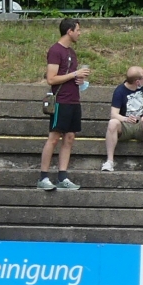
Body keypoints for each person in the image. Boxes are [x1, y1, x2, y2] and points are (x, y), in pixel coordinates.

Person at [39, 17, 88, 191]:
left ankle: (62, 176)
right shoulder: (55, 50)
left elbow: (69, 77)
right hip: (61, 101)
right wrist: (74, 74)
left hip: (74, 100)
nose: (79, 33)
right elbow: (51, 79)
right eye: (78, 30)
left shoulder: (72, 53)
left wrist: (80, 81)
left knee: (69, 137)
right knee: (54, 138)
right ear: (69, 31)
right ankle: (43, 177)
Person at [102, 66, 143, 173]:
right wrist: (125, 119)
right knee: (112, 123)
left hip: (140, 125)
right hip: (125, 127)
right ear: (137, 82)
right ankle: (109, 161)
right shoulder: (120, 91)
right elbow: (114, 114)